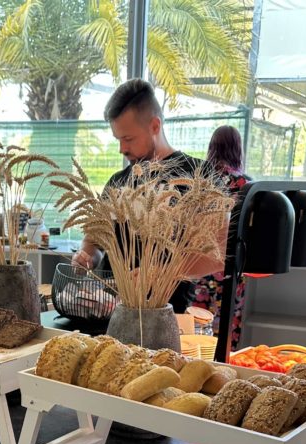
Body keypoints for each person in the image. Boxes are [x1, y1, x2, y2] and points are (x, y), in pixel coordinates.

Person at [71, 79, 221, 313]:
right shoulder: (117, 182)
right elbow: (94, 243)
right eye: (118, 139)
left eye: (128, 139)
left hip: (167, 318)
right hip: (110, 315)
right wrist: (87, 258)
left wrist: (163, 272)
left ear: (154, 125)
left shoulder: (199, 177)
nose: (122, 149)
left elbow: (216, 254)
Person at [194, 125, 253, 349]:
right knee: (228, 319)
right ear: (238, 149)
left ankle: (197, 358)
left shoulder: (200, 179)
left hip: (202, 262)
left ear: (212, 147)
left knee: (198, 320)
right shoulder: (246, 184)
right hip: (232, 264)